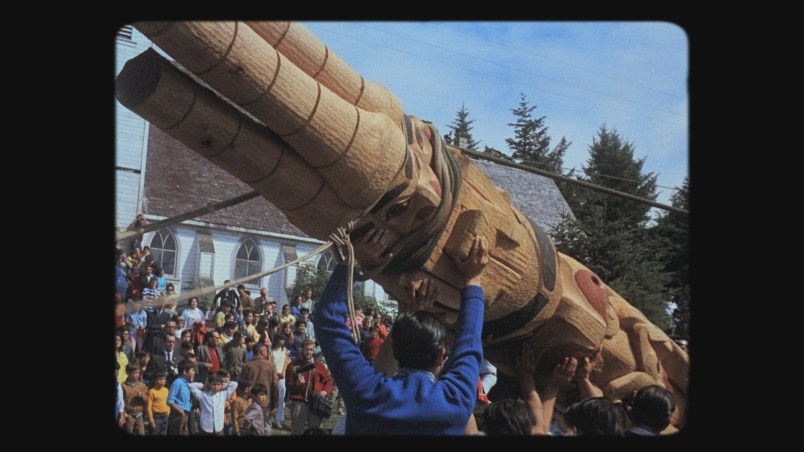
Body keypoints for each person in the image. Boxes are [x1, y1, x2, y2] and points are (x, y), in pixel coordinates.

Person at [316, 228, 489, 435]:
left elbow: (328, 320)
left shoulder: (366, 392)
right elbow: (469, 342)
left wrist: (353, 261)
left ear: (395, 351)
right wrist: (473, 279)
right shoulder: (454, 401)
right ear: (441, 356)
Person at [285, 338, 333, 435]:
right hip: (299, 402)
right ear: (301, 349)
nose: (309, 352)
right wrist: (298, 384)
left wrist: (325, 391)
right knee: (297, 431)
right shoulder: (292, 366)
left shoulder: (319, 365)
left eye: (311, 349)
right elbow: (288, 385)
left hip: (316, 403)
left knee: (315, 432)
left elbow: (328, 381)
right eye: (307, 349)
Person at [147, 371, 171, 436]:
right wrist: (151, 421)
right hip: (156, 417)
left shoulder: (166, 390)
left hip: (165, 416)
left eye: (163, 379)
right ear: (154, 380)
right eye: (159, 379)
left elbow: (168, 402)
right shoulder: (152, 391)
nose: (162, 381)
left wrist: (168, 412)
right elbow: (149, 407)